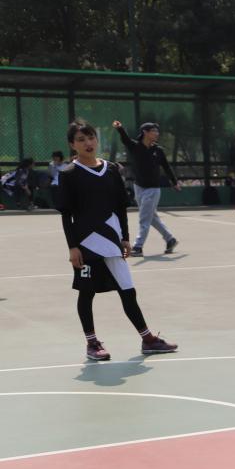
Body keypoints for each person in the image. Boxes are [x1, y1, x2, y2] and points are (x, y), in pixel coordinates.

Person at [56, 120, 177, 361]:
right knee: (86, 293)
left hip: (112, 241)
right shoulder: (68, 174)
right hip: (86, 242)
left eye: (91, 137)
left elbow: (120, 207)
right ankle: (92, 343)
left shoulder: (111, 169)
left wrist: (125, 238)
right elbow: (66, 215)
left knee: (128, 290)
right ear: (72, 145)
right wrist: (73, 247)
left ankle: (148, 340)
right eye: (81, 140)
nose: (88, 143)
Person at [110, 120, 180, 254]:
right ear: (145, 132)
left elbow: (166, 167)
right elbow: (125, 140)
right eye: (154, 131)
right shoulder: (135, 147)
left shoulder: (158, 151)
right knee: (151, 217)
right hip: (138, 187)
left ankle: (138, 247)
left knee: (144, 218)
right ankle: (170, 239)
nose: (157, 133)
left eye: (157, 131)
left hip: (153, 189)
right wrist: (120, 128)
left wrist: (174, 182)